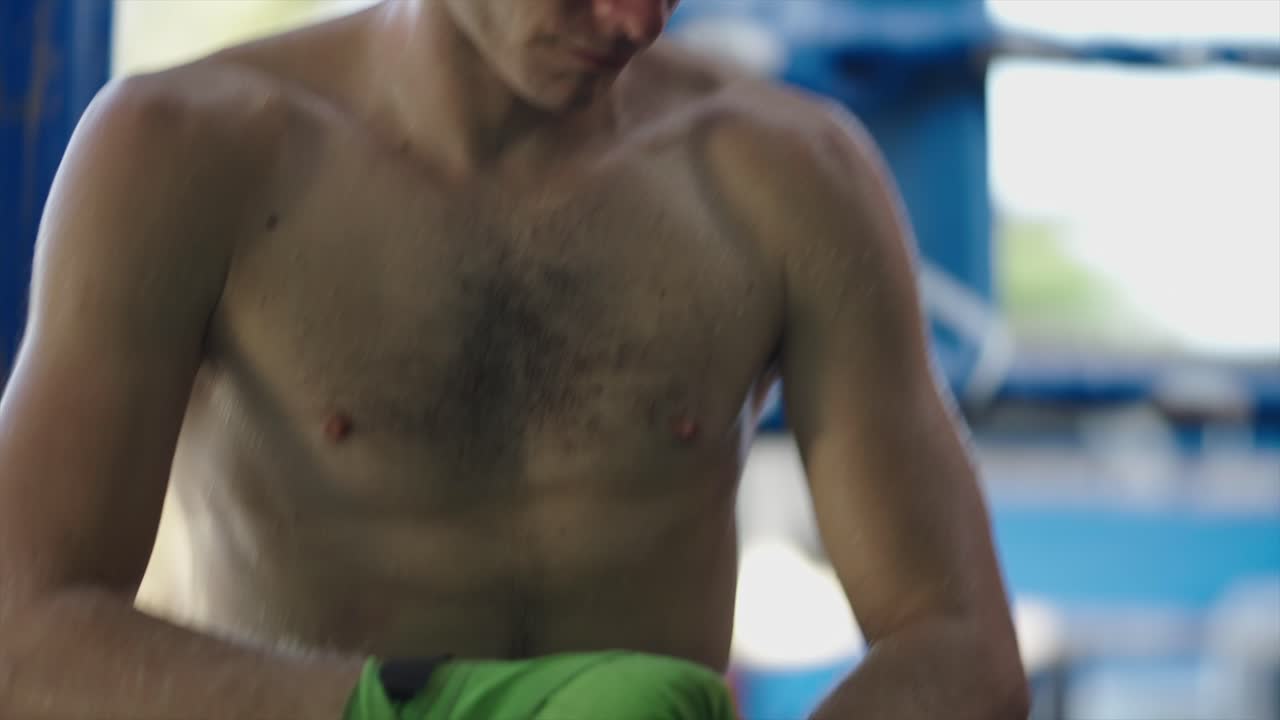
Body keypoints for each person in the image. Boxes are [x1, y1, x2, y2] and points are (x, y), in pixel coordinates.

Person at [0, 0, 1028, 718]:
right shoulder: (185, 153)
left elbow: (958, 646)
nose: (636, 21)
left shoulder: (792, 177)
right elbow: (18, 640)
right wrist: (424, 713)